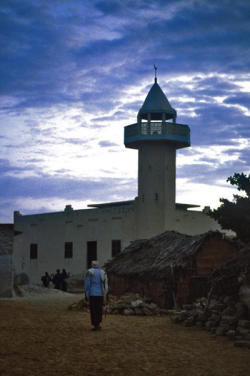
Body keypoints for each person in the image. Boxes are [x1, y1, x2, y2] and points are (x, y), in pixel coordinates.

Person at [84, 260, 108, 331]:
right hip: (100, 294)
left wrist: (86, 294)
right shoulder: (102, 272)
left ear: (92, 265)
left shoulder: (89, 272)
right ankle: (98, 324)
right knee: (99, 309)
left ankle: (95, 325)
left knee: (93, 310)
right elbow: (105, 283)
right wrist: (105, 293)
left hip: (92, 293)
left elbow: (87, 284)